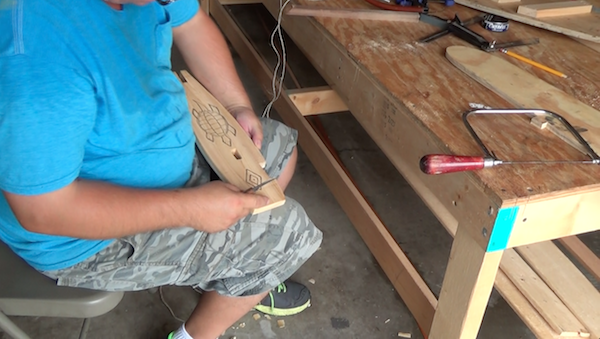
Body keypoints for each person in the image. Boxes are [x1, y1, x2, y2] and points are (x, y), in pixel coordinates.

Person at [0, 0, 323, 338]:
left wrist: (235, 104)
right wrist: (189, 209)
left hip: (149, 153)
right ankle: (197, 333)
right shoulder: (38, 58)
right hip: (80, 238)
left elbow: (192, 23)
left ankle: (238, 275)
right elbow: (44, 211)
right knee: (286, 236)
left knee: (278, 153)